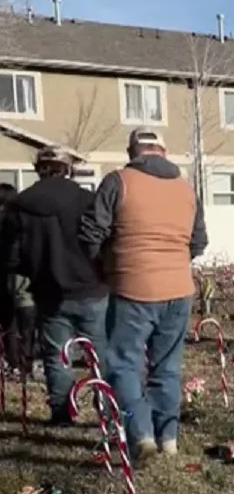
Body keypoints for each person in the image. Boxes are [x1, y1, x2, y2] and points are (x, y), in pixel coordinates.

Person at [79, 128, 207, 461]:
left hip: (131, 289)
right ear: (164, 152)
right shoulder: (186, 190)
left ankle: (140, 434)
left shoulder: (118, 181)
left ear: (132, 151)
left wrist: (104, 267)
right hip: (178, 290)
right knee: (166, 367)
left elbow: (91, 232)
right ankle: (169, 440)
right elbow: (198, 241)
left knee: (124, 365)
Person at [0, 147, 108, 425]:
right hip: (91, 288)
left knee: (56, 356)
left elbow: (11, 257)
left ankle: (61, 413)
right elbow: (104, 240)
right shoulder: (88, 200)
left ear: (39, 169)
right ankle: (107, 411)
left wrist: (33, 269)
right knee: (100, 354)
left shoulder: (20, 205)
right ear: (67, 169)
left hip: (48, 292)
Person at [0, 183, 35, 380]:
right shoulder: (19, 219)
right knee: (27, 322)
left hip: (5, 276)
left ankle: (13, 363)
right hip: (21, 273)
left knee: (9, 323)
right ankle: (25, 364)